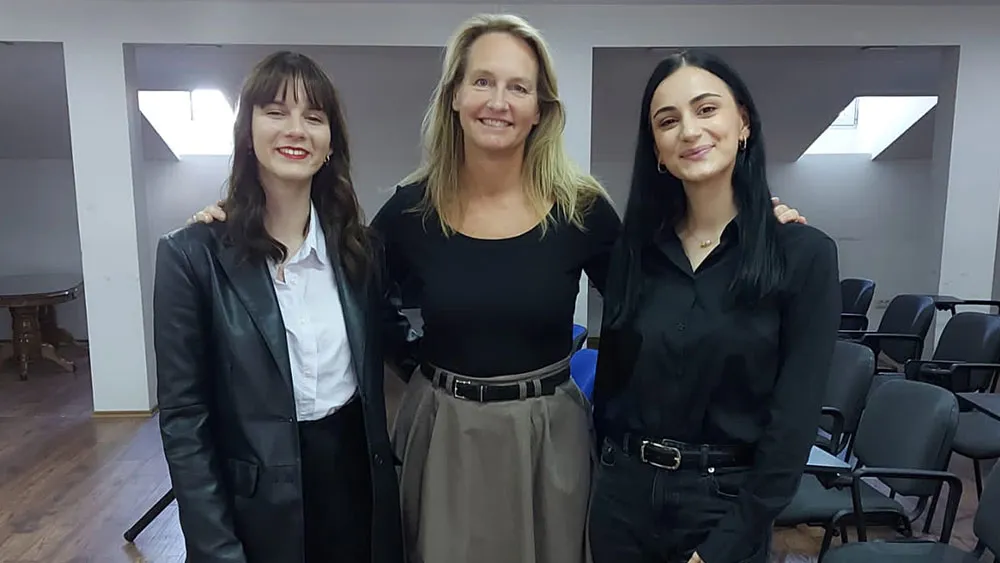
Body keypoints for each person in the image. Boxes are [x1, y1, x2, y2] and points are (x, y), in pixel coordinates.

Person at [185, 15, 806, 563]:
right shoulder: (410, 210)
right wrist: (243, 212)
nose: (498, 101)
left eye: (519, 87)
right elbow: (354, 295)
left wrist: (749, 220)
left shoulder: (581, 209)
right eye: (482, 81)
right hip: (444, 430)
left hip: (550, 435)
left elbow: (656, 291)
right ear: (454, 94)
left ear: (541, 108)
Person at [587, 50, 841, 563]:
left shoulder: (802, 254)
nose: (688, 130)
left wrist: (729, 541)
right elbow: (613, 383)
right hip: (622, 501)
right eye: (668, 120)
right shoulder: (635, 253)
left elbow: (792, 424)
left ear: (742, 122)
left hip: (723, 505)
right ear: (657, 149)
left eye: (706, 110)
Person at [153, 51, 406, 563]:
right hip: (255, 506)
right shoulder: (191, 256)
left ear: (331, 143)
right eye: (275, 112)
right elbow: (184, 421)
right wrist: (215, 546)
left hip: (355, 490)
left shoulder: (361, 252)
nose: (296, 130)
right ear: (247, 131)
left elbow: (400, 343)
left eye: (314, 117)